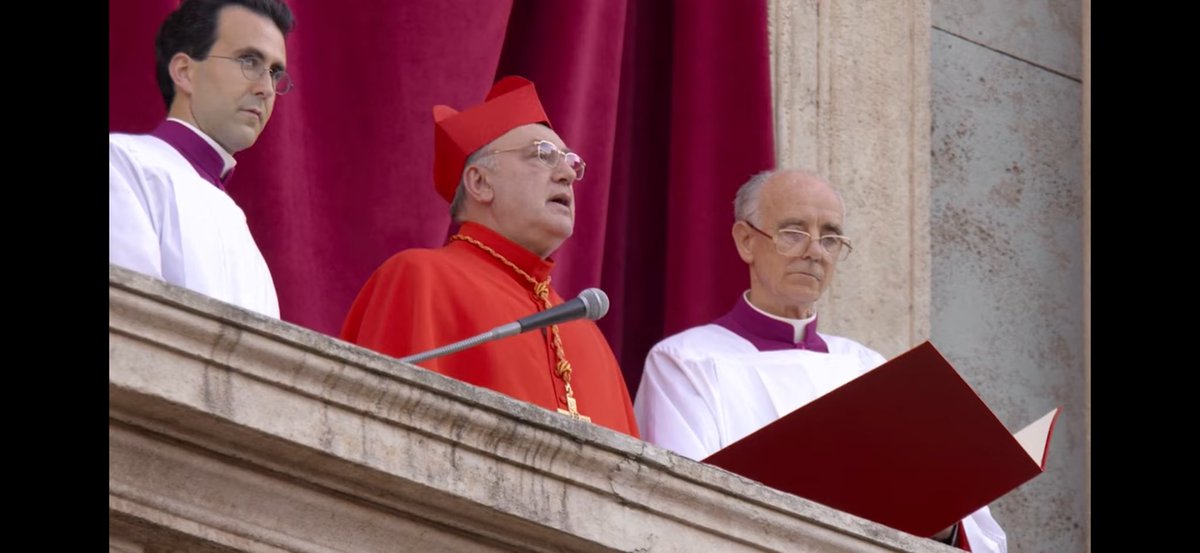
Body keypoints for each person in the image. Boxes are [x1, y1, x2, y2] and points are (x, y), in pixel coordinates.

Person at [633, 168, 1006, 551]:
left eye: (830, 238)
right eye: (793, 232)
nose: (814, 252)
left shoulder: (871, 369)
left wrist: (943, 525)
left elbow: (976, 536)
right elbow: (681, 513)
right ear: (746, 241)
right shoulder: (685, 362)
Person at [340, 76, 639, 438]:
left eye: (572, 163)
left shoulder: (588, 333)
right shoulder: (419, 278)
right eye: (542, 155)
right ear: (480, 182)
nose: (566, 175)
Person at [109, 0, 295, 318]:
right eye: (249, 61)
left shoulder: (240, 231)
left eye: (275, 73)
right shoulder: (123, 165)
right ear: (185, 72)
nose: (266, 88)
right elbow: (131, 330)